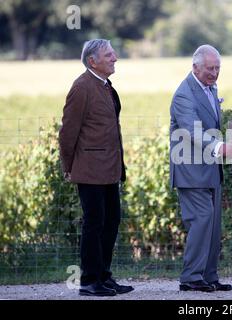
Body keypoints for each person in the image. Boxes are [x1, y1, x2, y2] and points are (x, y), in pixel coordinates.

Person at [59, 39, 134, 297]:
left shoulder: (105, 85)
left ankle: (103, 276)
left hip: (109, 169)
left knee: (110, 222)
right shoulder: (82, 87)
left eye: (113, 54)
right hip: (90, 170)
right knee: (94, 224)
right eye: (109, 55)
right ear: (93, 61)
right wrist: (68, 165)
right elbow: (68, 132)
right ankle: (90, 281)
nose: (115, 58)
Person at [169, 44, 232, 292]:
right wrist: (221, 148)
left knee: (213, 224)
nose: (215, 73)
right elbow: (192, 130)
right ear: (195, 67)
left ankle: (209, 276)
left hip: (210, 170)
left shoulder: (210, 88)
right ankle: (191, 278)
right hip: (191, 172)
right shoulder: (184, 94)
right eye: (210, 68)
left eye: (218, 67)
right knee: (201, 220)